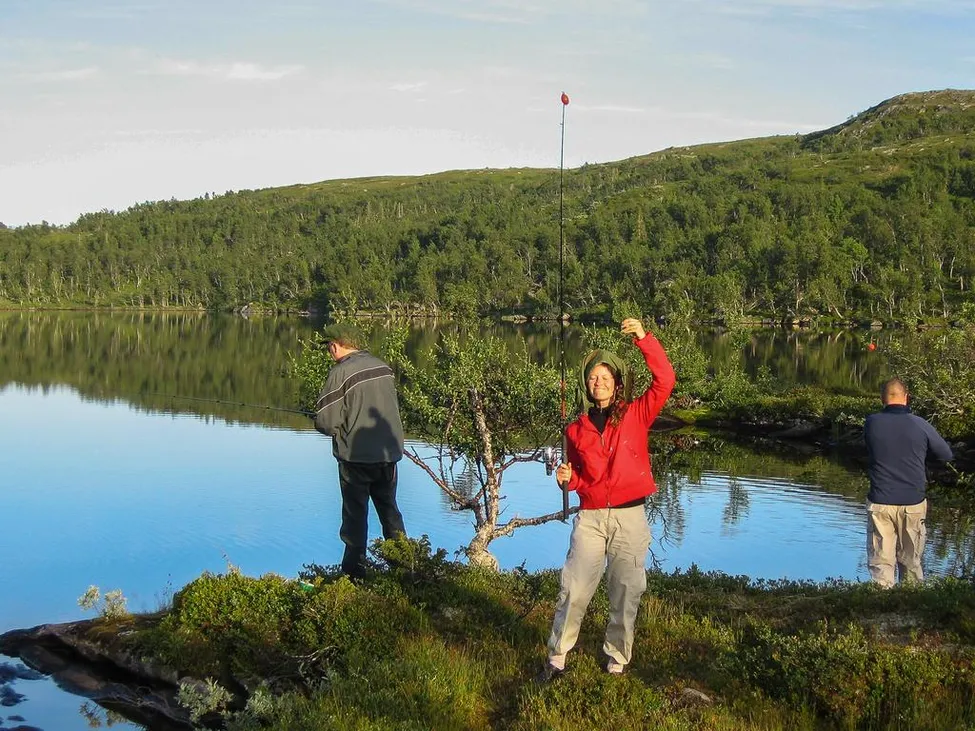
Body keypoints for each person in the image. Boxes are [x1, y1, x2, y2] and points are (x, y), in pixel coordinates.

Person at [540, 318, 675, 680]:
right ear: (586, 384)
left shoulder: (636, 413)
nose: (597, 383)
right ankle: (557, 658)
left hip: (631, 518)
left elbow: (665, 380)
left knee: (626, 591)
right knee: (573, 588)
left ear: (616, 383)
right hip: (591, 518)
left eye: (605, 377)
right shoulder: (575, 428)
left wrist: (644, 339)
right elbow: (579, 478)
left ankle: (617, 659)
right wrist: (567, 480)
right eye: (592, 378)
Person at [313, 323, 407, 580]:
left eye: (329, 347)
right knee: (389, 512)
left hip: (355, 457)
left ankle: (353, 575)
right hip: (388, 455)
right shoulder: (383, 366)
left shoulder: (340, 372)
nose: (330, 352)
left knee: (355, 517)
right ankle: (405, 568)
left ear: (335, 345)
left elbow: (325, 421)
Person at [863, 377, 953, 588]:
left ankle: (880, 611)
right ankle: (913, 611)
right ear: (907, 397)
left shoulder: (872, 422)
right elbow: (946, 455)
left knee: (881, 564)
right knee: (911, 564)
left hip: (880, 503)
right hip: (912, 503)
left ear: (882, 399)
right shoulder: (920, 424)